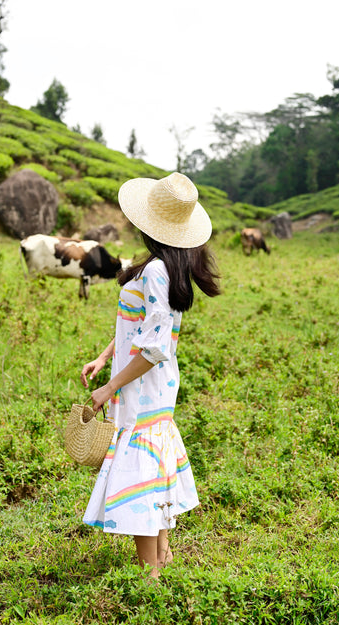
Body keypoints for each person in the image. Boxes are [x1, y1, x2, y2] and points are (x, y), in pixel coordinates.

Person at [80, 172, 220, 579]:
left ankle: (150, 578)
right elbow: (138, 328)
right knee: (153, 464)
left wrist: (110, 386)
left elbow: (155, 347)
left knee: (141, 469)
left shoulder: (157, 271)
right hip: (146, 386)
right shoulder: (164, 267)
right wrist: (105, 356)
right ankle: (162, 554)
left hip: (141, 388)